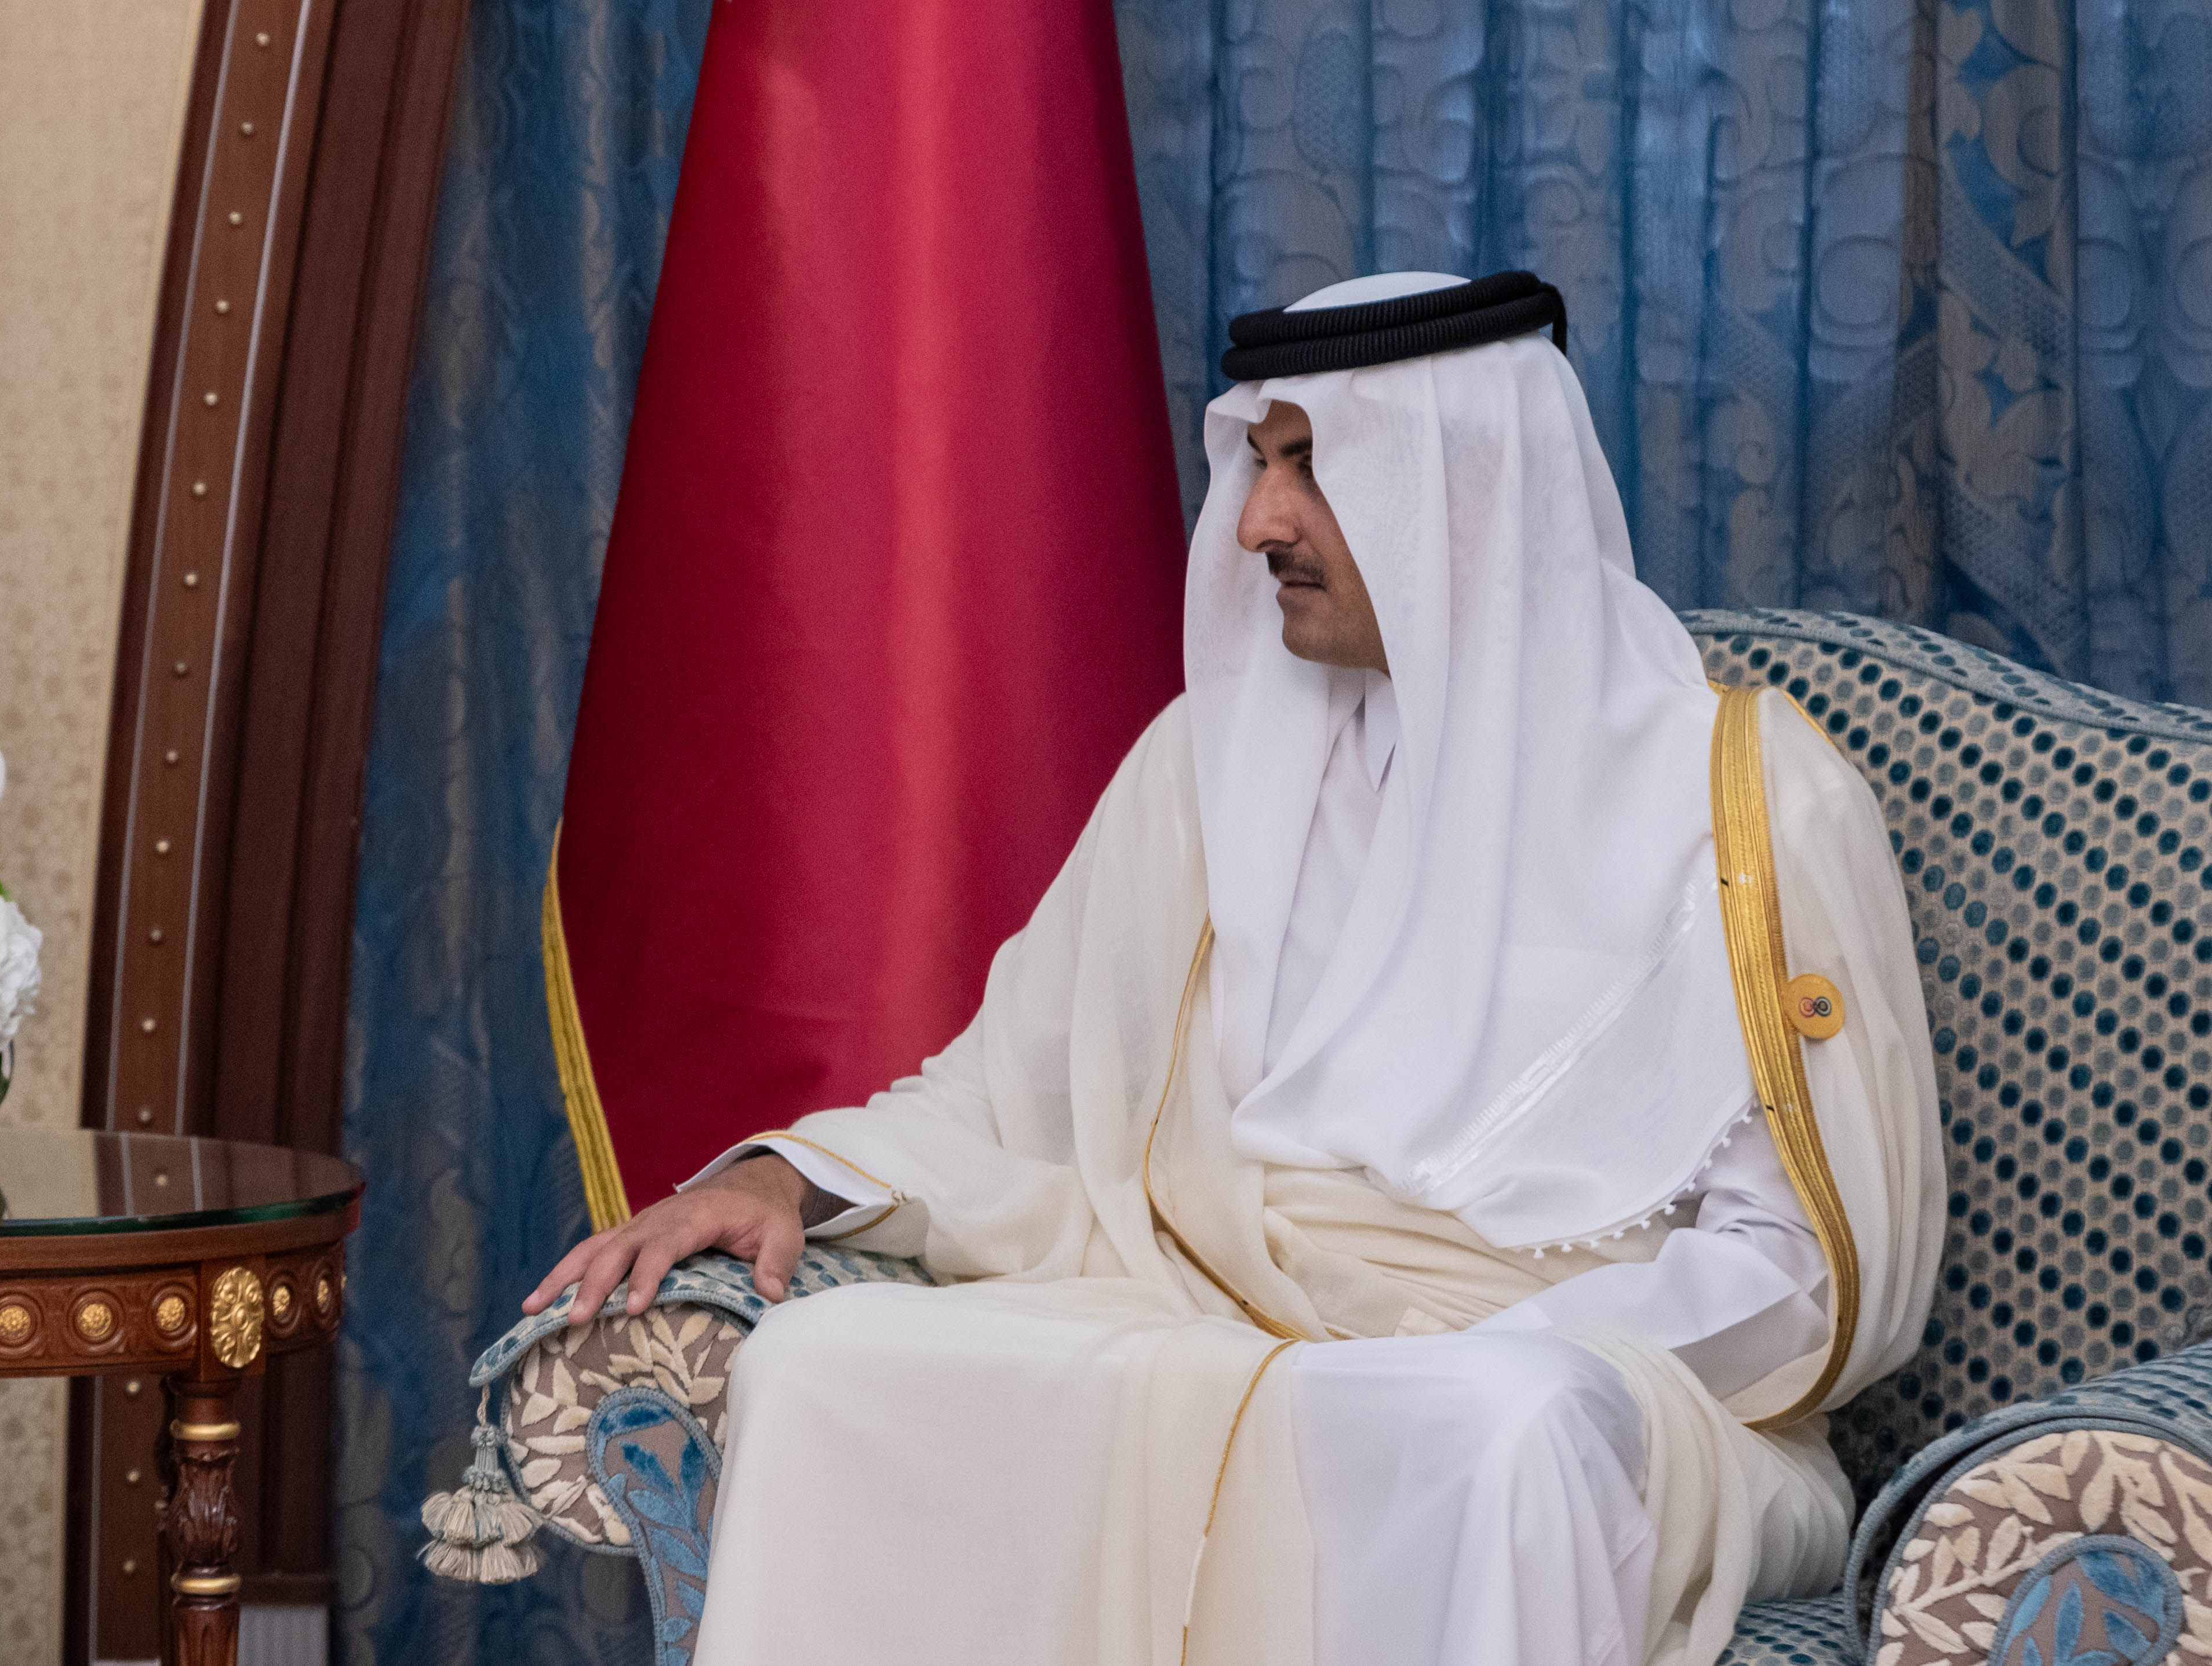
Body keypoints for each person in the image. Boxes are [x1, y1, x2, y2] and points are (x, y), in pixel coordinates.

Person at [525, 269, 1941, 1666]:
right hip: (1221, 1320)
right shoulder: (1202, 770)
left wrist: (1477, 1349)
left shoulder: (1749, 799)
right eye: (1258, 462)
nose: (1258, 520)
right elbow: (1008, 1087)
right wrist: (783, 1176)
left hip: (1589, 1390)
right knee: (818, 1370)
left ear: (1470, 483)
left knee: (1488, 1431)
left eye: (1313, 467)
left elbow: (1803, 1270)